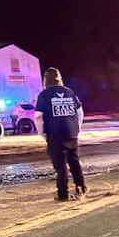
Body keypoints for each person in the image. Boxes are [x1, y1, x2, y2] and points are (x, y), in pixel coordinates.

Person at [35, 67, 87, 201]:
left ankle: (63, 194)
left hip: (55, 134)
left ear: (45, 80)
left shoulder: (44, 95)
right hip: (71, 133)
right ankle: (81, 188)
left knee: (61, 166)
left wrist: (42, 133)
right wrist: (77, 128)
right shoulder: (69, 92)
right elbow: (80, 111)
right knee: (74, 161)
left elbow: (38, 116)